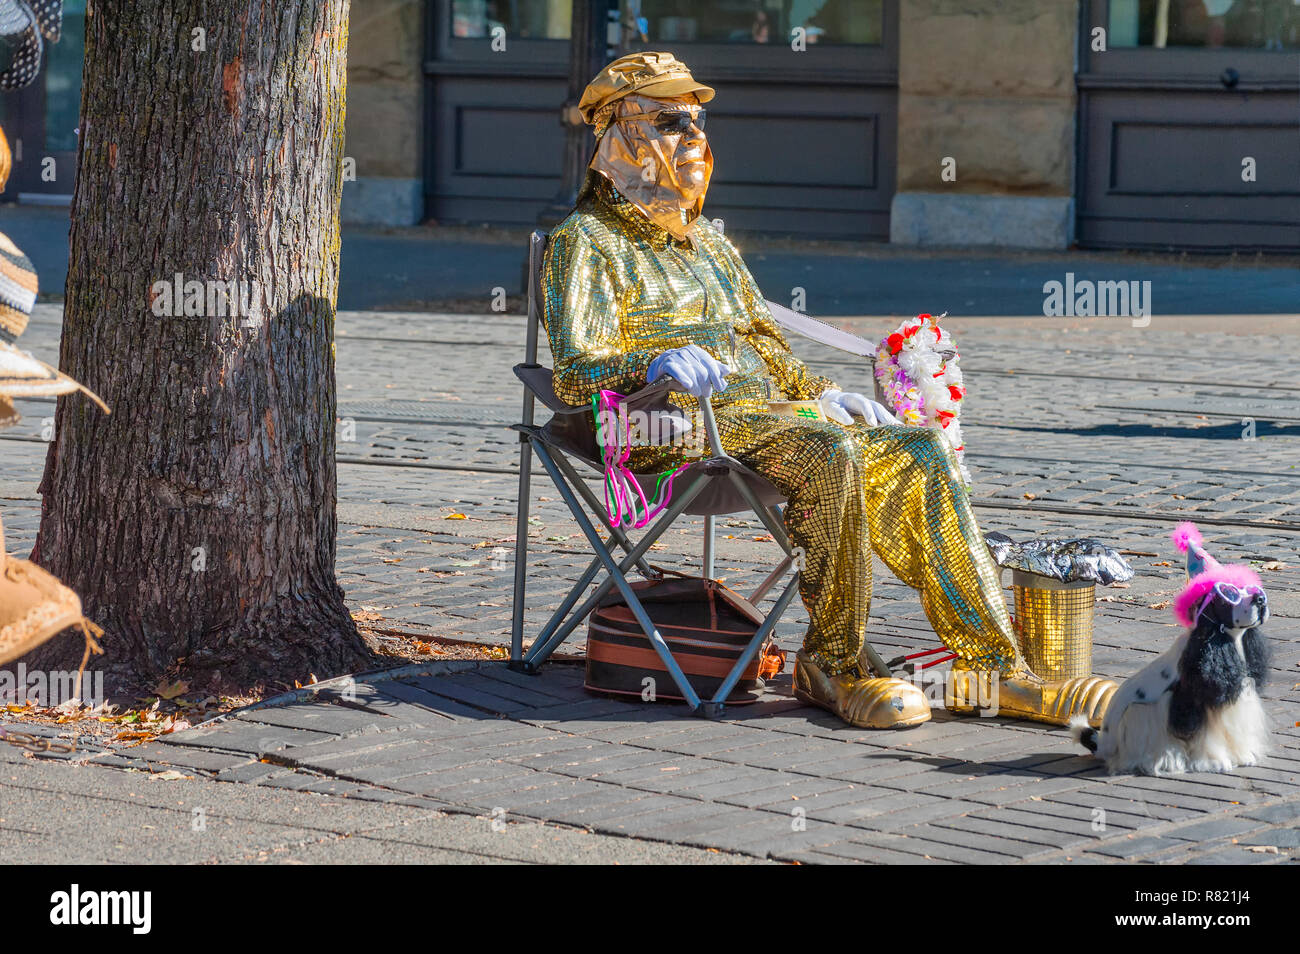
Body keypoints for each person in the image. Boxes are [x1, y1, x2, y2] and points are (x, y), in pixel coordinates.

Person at [543, 52, 1118, 729]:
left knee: (917, 449)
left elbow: (763, 343)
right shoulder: (584, 240)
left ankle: (993, 667)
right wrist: (653, 362)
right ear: (620, 134)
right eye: (669, 120)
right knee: (827, 453)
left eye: (697, 120)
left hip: (763, 420)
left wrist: (826, 391)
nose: (693, 136)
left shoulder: (709, 245)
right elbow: (575, 372)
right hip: (662, 428)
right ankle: (835, 664)